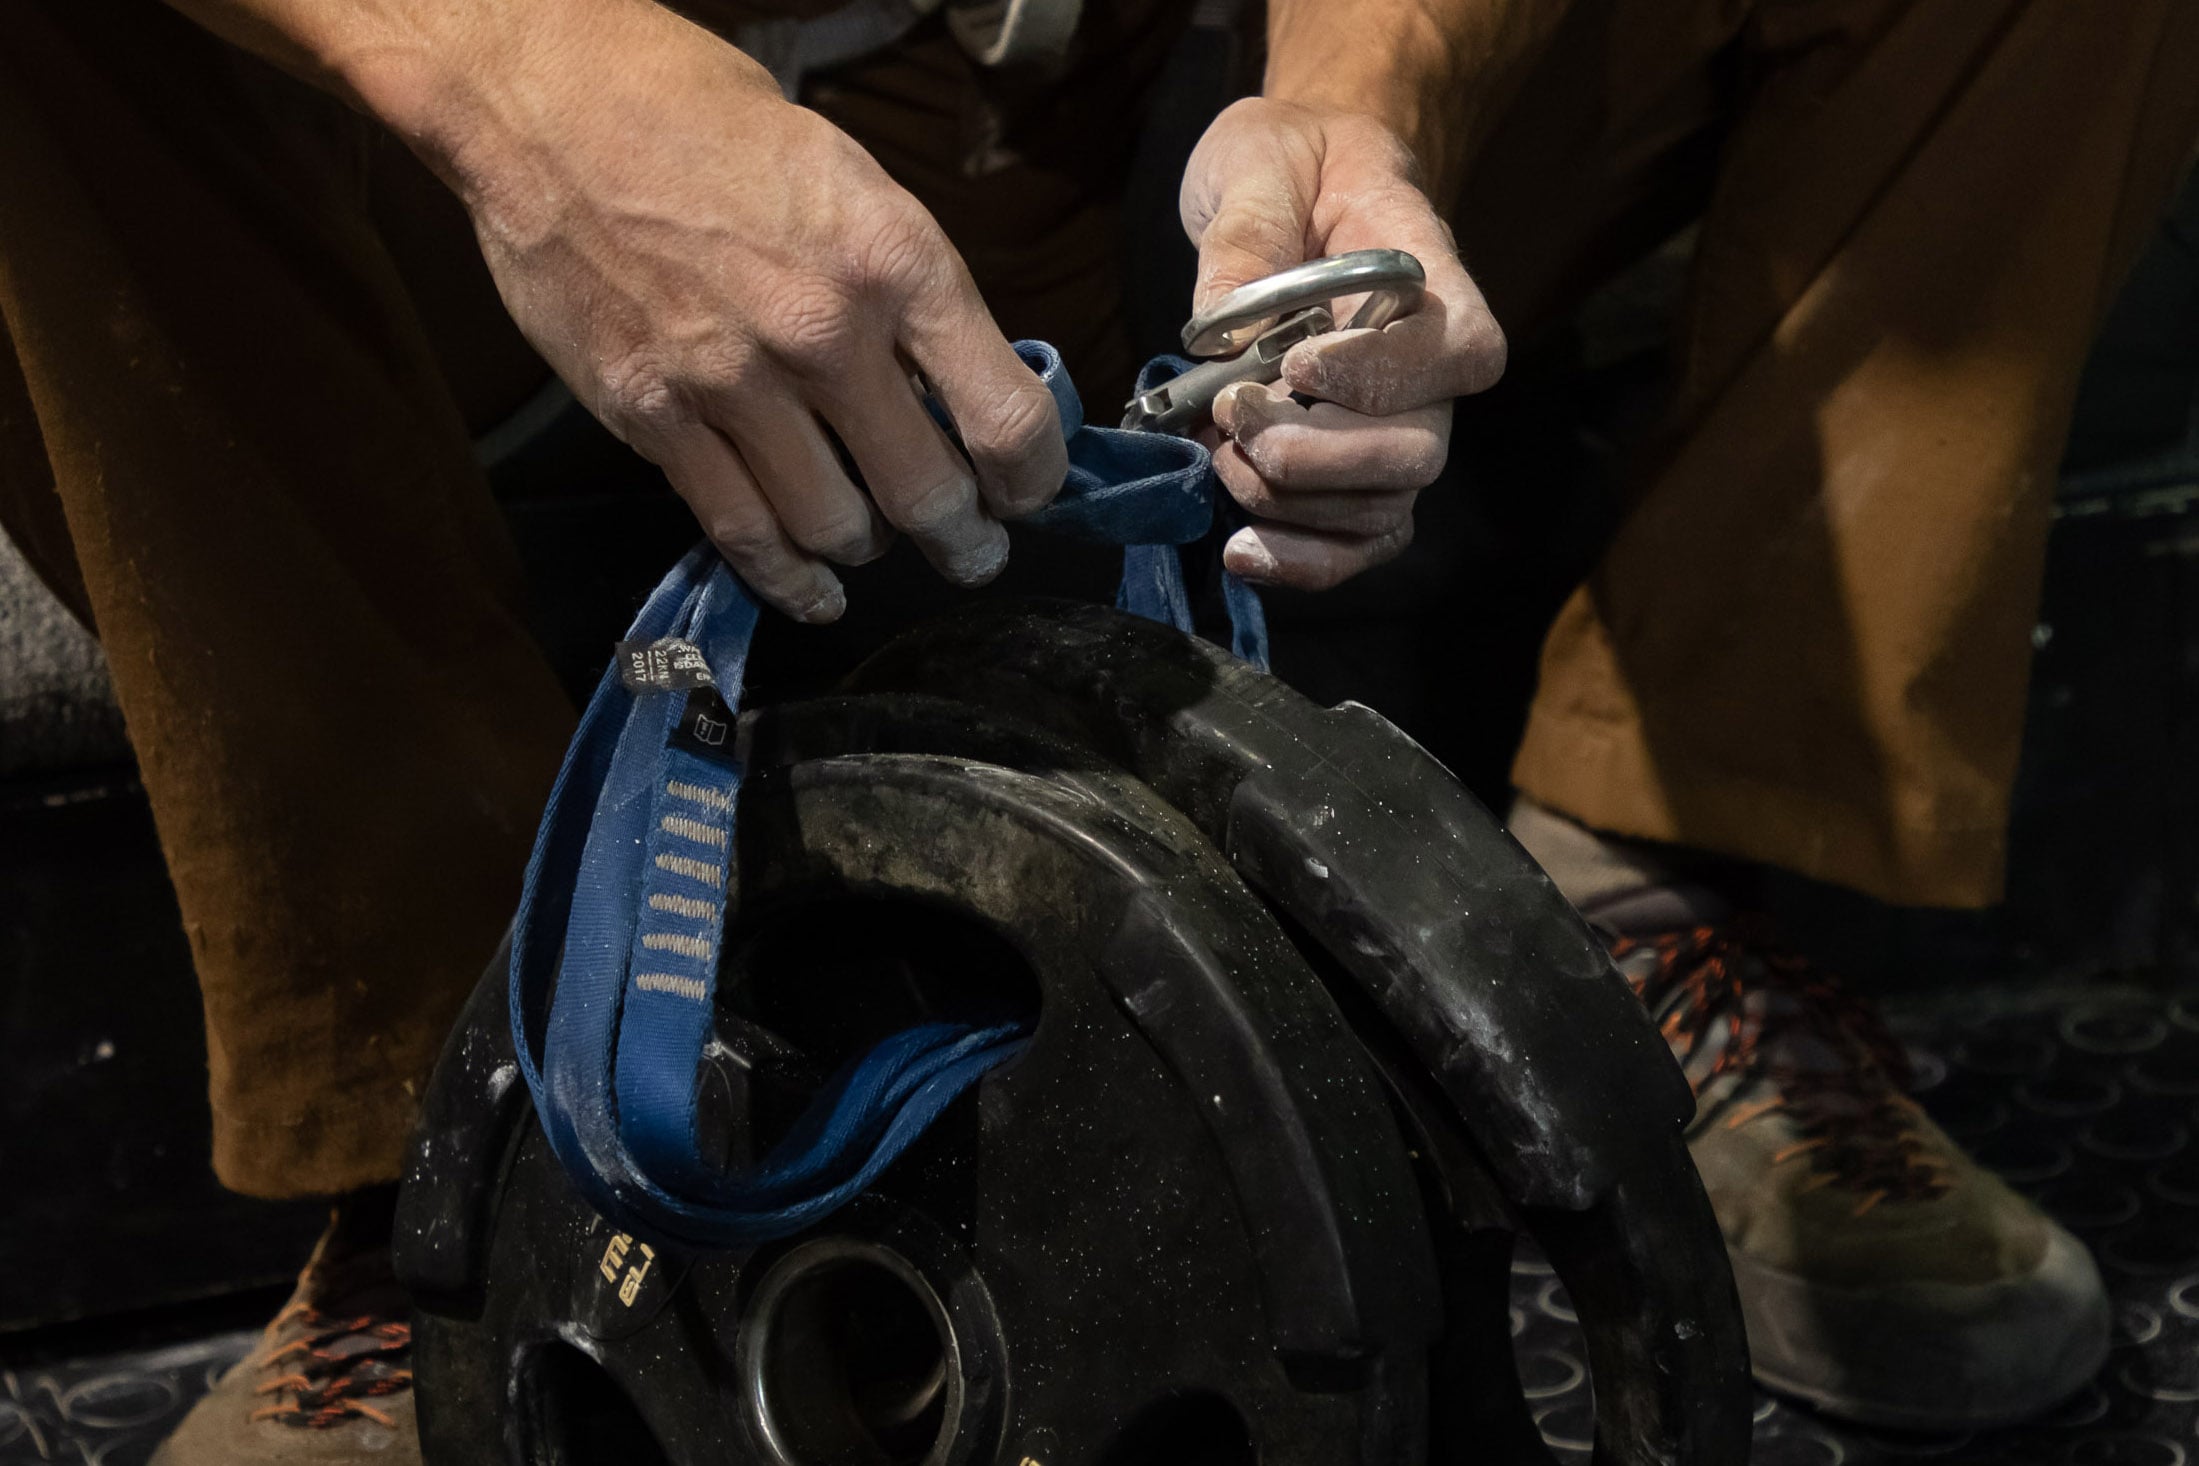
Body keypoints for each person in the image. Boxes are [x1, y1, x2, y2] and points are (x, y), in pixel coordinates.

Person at [0, 0, 2190, 1458]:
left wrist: (1365, 106)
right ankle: (448, 1142)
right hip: (527, 110)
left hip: (1143, 83)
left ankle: (1648, 880)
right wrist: (525, 96)